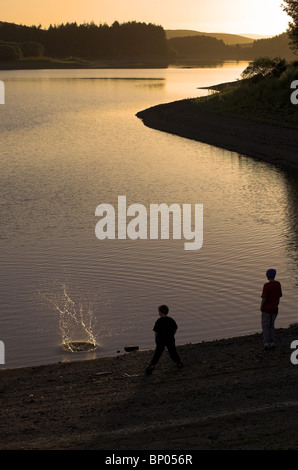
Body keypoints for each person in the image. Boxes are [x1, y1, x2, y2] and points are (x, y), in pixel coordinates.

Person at [145, 305, 183, 375]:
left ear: (160, 312)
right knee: (172, 351)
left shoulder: (159, 321)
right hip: (170, 339)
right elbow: (175, 329)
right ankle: (179, 362)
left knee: (158, 353)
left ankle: (152, 365)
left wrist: (156, 340)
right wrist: (172, 335)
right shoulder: (171, 320)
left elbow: (156, 331)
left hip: (160, 340)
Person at [260, 269, 282, 350]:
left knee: (265, 326)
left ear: (267, 276)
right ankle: (272, 342)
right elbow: (279, 295)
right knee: (272, 326)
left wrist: (261, 307)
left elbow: (264, 298)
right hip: (275, 309)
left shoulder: (266, 286)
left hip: (266, 309)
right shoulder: (278, 284)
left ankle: (267, 343)